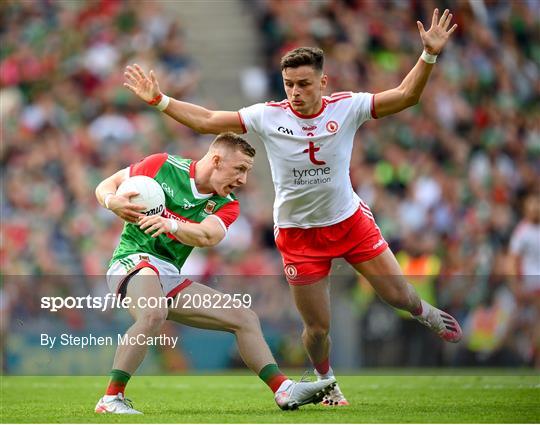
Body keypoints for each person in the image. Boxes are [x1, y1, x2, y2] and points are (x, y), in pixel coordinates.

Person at [123, 9, 462, 406]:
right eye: (289, 84)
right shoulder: (269, 115)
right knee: (317, 329)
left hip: (348, 220)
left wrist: (428, 56)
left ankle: (426, 312)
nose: (295, 92)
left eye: (303, 84)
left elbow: (406, 96)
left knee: (399, 296)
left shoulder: (347, 107)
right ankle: (327, 380)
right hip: (298, 234)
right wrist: (160, 100)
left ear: (323, 81)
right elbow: (208, 121)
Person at [94, 132, 336, 414]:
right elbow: (106, 184)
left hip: (167, 273)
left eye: (246, 171)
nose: (243, 179)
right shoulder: (163, 165)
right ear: (217, 160)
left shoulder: (227, 204)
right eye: (240, 169)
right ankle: (110, 399)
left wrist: (171, 225)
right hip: (132, 260)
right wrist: (112, 201)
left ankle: (283, 389)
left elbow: (208, 236)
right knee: (153, 313)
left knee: (244, 318)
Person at [508, 193, 540, 367]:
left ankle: (531, 355)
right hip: (531, 282)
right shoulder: (523, 231)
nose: (536, 208)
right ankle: (530, 356)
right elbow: (513, 259)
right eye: (532, 204)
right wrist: (515, 284)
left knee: (534, 322)